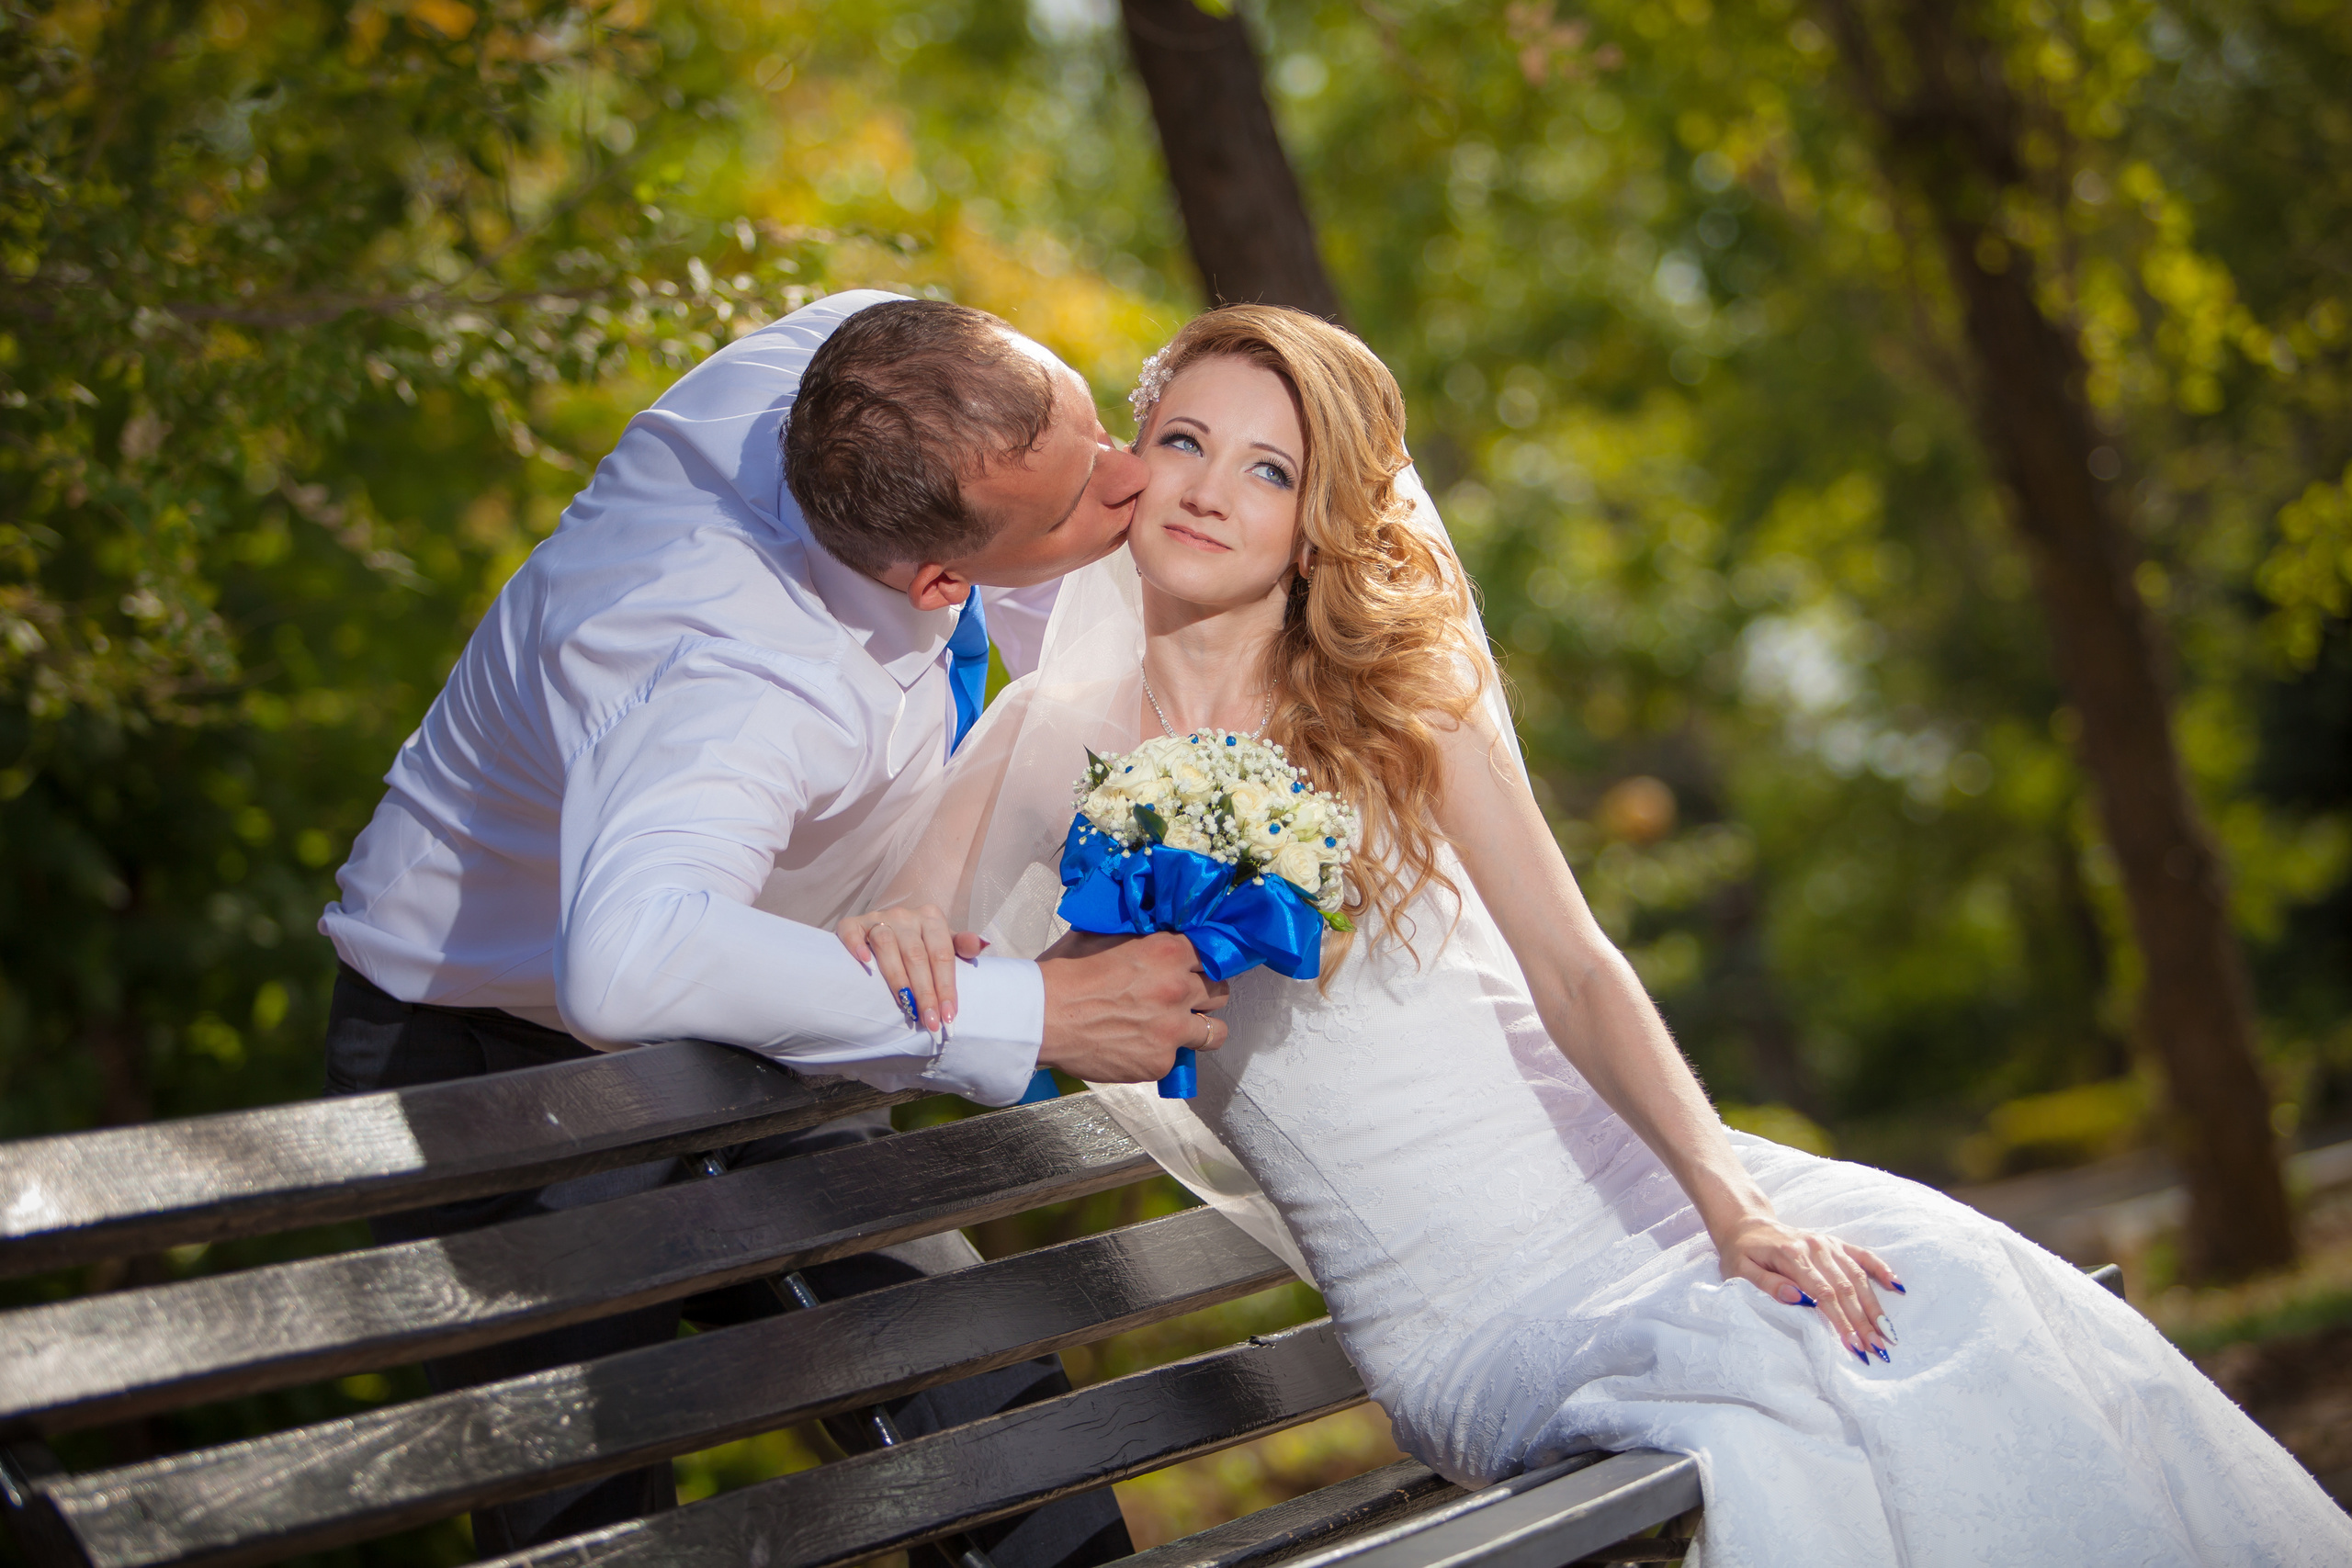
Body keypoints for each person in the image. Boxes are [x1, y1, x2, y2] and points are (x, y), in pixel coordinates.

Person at [839, 305, 2352, 1567]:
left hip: (1641, 1207)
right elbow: (901, 928)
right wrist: (924, 916)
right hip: (1467, 1318)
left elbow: (1573, 967)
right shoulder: (1044, 735)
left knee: (1942, 1285)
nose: (1208, 488)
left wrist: (1732, 1205)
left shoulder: (1395, 705)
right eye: (1184, 441)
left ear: (1318, 523)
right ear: (1134, 455)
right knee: (1795, 1386)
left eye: (1268, 468)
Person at [319, 289, 1227, 1562]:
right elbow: (629, 965)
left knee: (996, 1405)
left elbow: (1031, 561)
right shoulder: (734, 673)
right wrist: (1041, 1013)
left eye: (1095, 437)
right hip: (497, 1060)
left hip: (783, 1006)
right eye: (1088, 494)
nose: (1131, 481)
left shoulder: (871, 373)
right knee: (593, 1519)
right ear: (932, 578)